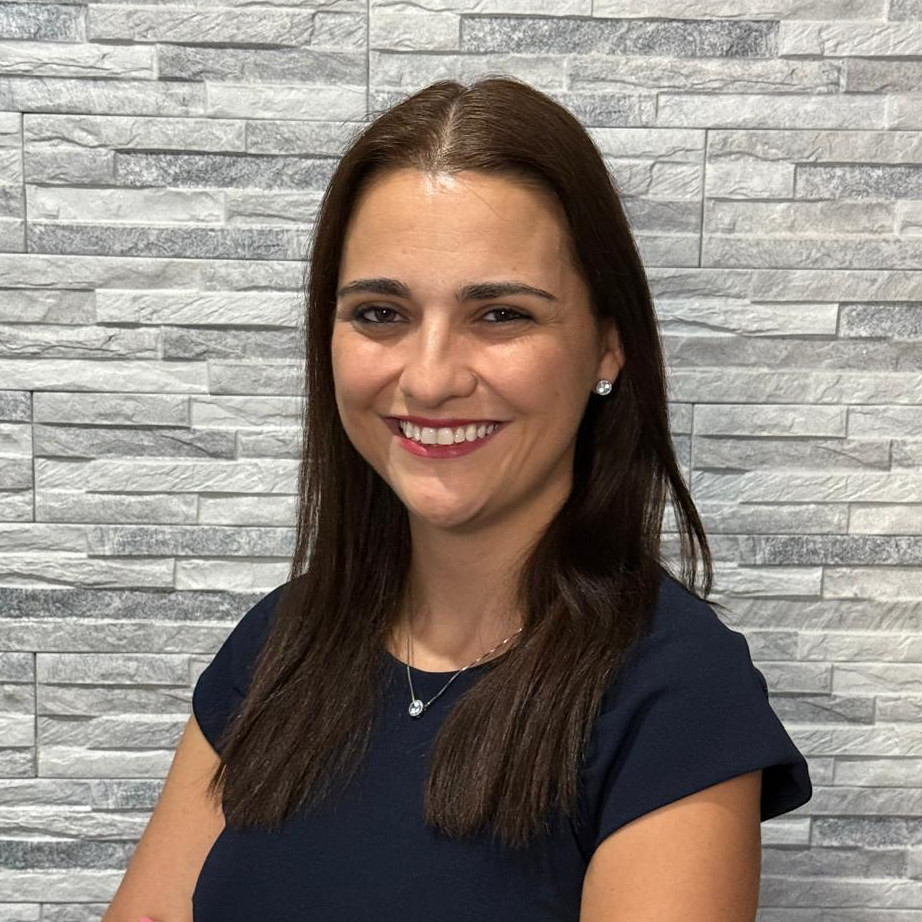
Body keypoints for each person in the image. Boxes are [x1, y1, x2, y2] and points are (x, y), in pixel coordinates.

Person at [102, 75, 812, 922]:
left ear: (607, 347)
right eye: (380, 313)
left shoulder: (675, 692)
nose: (431, 378)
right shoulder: (282, 641)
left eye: (501, 314)